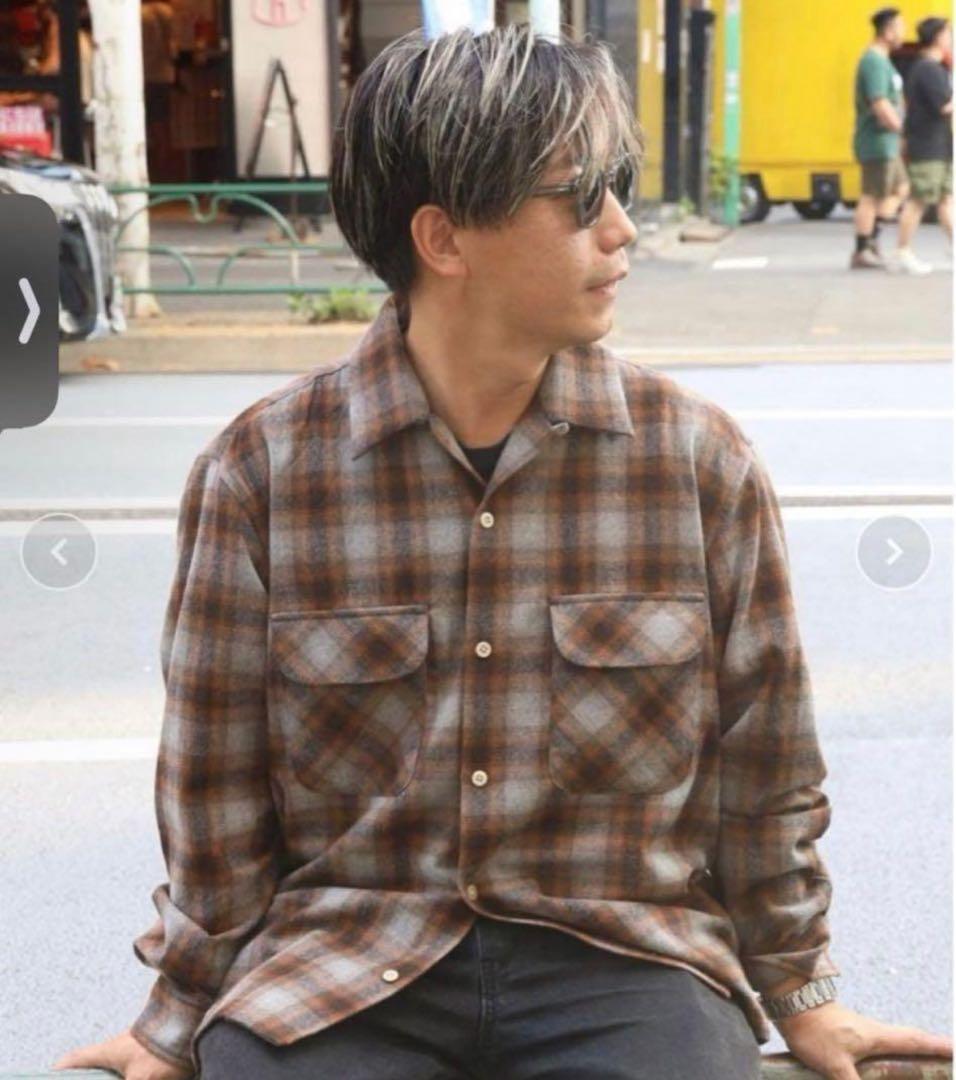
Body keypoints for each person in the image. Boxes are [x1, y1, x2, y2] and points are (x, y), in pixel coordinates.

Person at [51, 23, 953, 1080]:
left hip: (624, 957)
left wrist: (801, 992)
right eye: (581, 196)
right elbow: (214, 795)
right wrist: (176, 1017)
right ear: (444, 239)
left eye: (618, 187)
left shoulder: (695, 462)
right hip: (344, 964)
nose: (620, 228)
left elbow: (767, 771)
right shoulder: (262, 473)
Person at [851, 7, 910, 269]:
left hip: (888, 142)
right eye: (900, 27)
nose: (903, 33)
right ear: (887, 31)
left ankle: (871, 239)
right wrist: (901, 128)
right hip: (876, 140)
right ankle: (862, 249)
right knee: (872, 195)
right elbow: (879, 102)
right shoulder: (873, 61)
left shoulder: (884, 61)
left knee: (901, 189)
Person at [896, 16, 953, 273]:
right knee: (918, 200)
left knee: (945, 199)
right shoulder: (928, 69)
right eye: (948, 34)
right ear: (937, 37)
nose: (951, 39)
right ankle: (903, 251)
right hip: (927, 146)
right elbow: (944, 106)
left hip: (939, 145)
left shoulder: (933, 68)